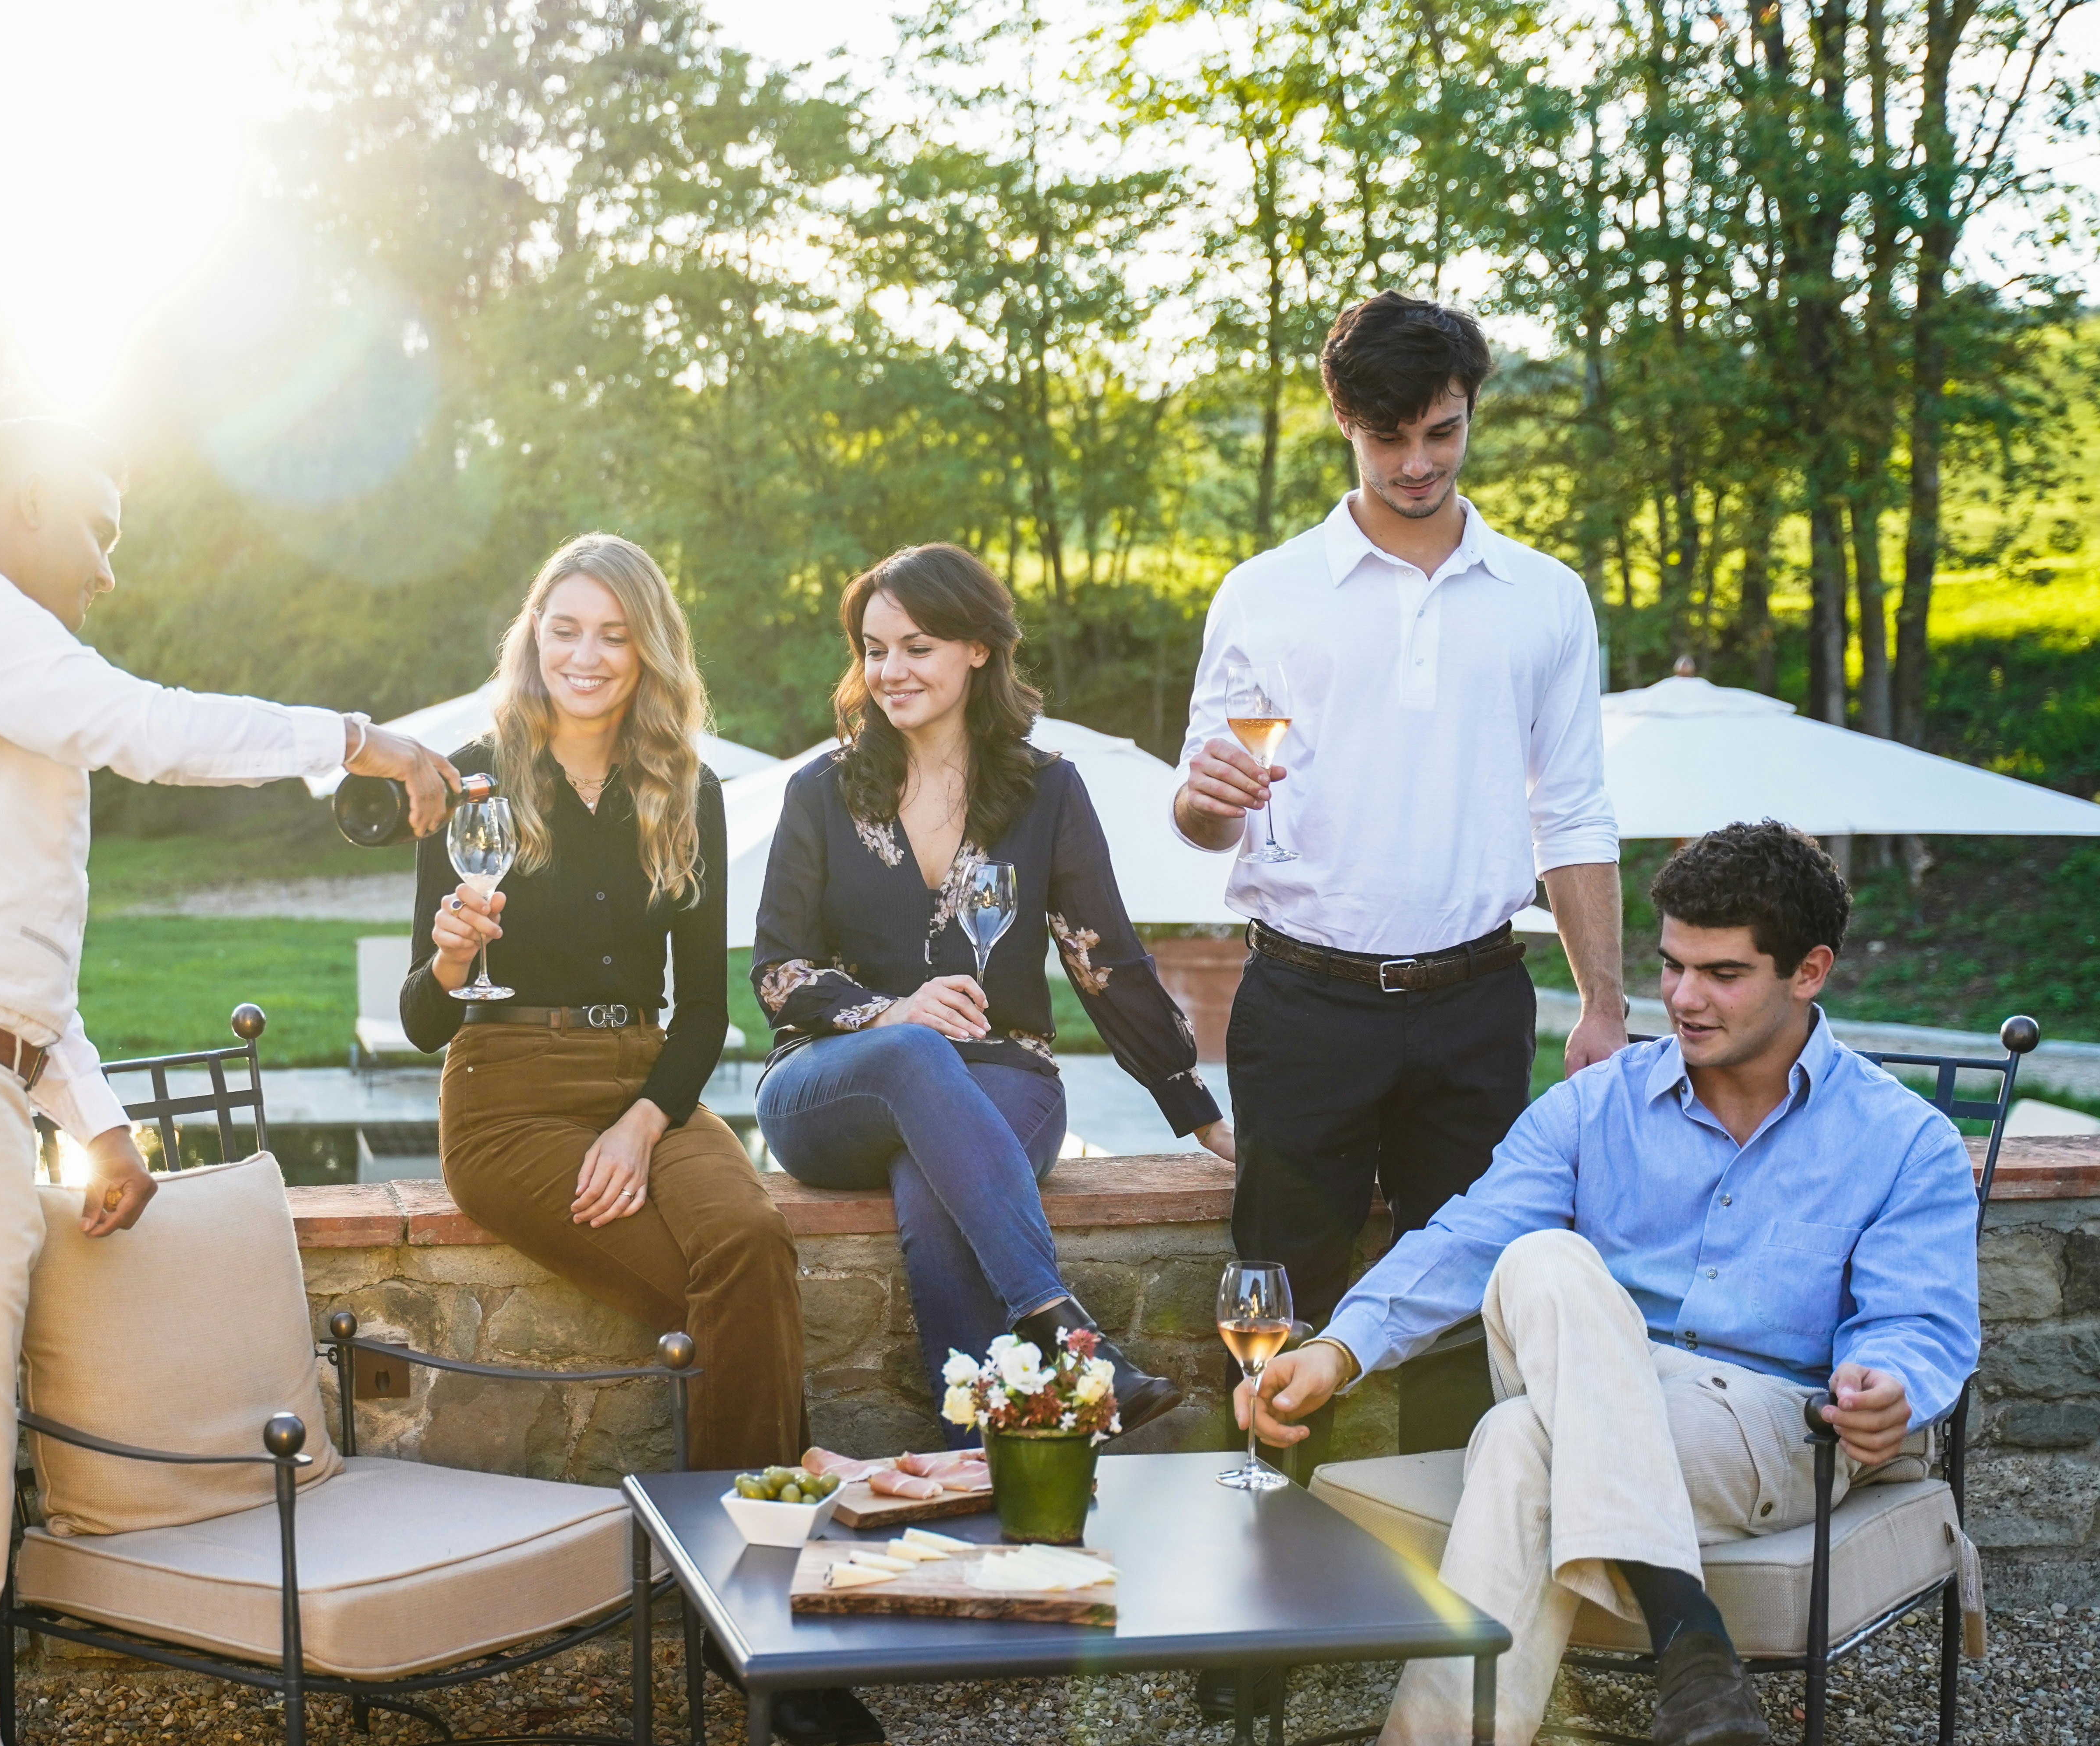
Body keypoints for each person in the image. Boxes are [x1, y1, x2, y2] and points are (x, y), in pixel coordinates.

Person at [0, 417, 454, 1746]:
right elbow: (147, 726)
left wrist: (95, 1124)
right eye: (99, 530)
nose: (107, 571)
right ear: (28, 505)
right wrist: (356, 740)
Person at [1237, 822, 1981, 1746]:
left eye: (1722, 973)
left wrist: (1891, 1379)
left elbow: (1916, 1319)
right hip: (1591, 1364)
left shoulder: (1904, 1140)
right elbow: (1470, 1235)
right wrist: (1338, 1347)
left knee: (1517, 1441)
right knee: (1540, 1257)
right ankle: (1691, 1644)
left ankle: (1656, 1645)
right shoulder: (1596, 1102)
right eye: (1671, 966)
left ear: (1811, 969)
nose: (1683, 997)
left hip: (1767, 1421)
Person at [402, 534, 881, 1746]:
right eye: (566, 628)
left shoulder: (690, 788)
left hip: (646, 1083)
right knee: (738, 1318)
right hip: (505, 1095)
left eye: (615, 633)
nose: (587, 654)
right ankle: (769, 1628)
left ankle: (739, 1613)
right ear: (533, 635)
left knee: (750, 1245)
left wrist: (639, 1121)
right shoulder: (469, 782)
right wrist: (452, 956)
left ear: (648, 650)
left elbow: (708, 1011)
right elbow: (421, 1020)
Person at [1170, 290, 1626, 1468]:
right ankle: (1269, 1600)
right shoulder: (1268, 596)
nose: (1418, 463)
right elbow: (1210, 809)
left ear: (1471, 413)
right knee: (1281, 1291)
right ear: (1343, 420)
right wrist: (1205, 800)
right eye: (1389, 439)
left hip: (1478, 998)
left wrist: (1608, 1008)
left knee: (1473, 1299)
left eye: (1442, 431)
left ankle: (1452, 1599)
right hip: (1304, 998)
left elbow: (1570, 809)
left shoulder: (1544, 599)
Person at [753, 543, 1234, 1441]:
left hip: (1004, 1076)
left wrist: (1192, 1103)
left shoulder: (1045, 790)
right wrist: (891, 1011)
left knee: (938, 1190)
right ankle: (1063, 1327)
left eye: (917, 646)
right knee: (911, 1050)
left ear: (979, 647)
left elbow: (1104, 958)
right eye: (873, 649)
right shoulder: (819, 790)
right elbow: (778, 970)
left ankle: (976, 1475)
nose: (889, 671)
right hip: (832, 1081)